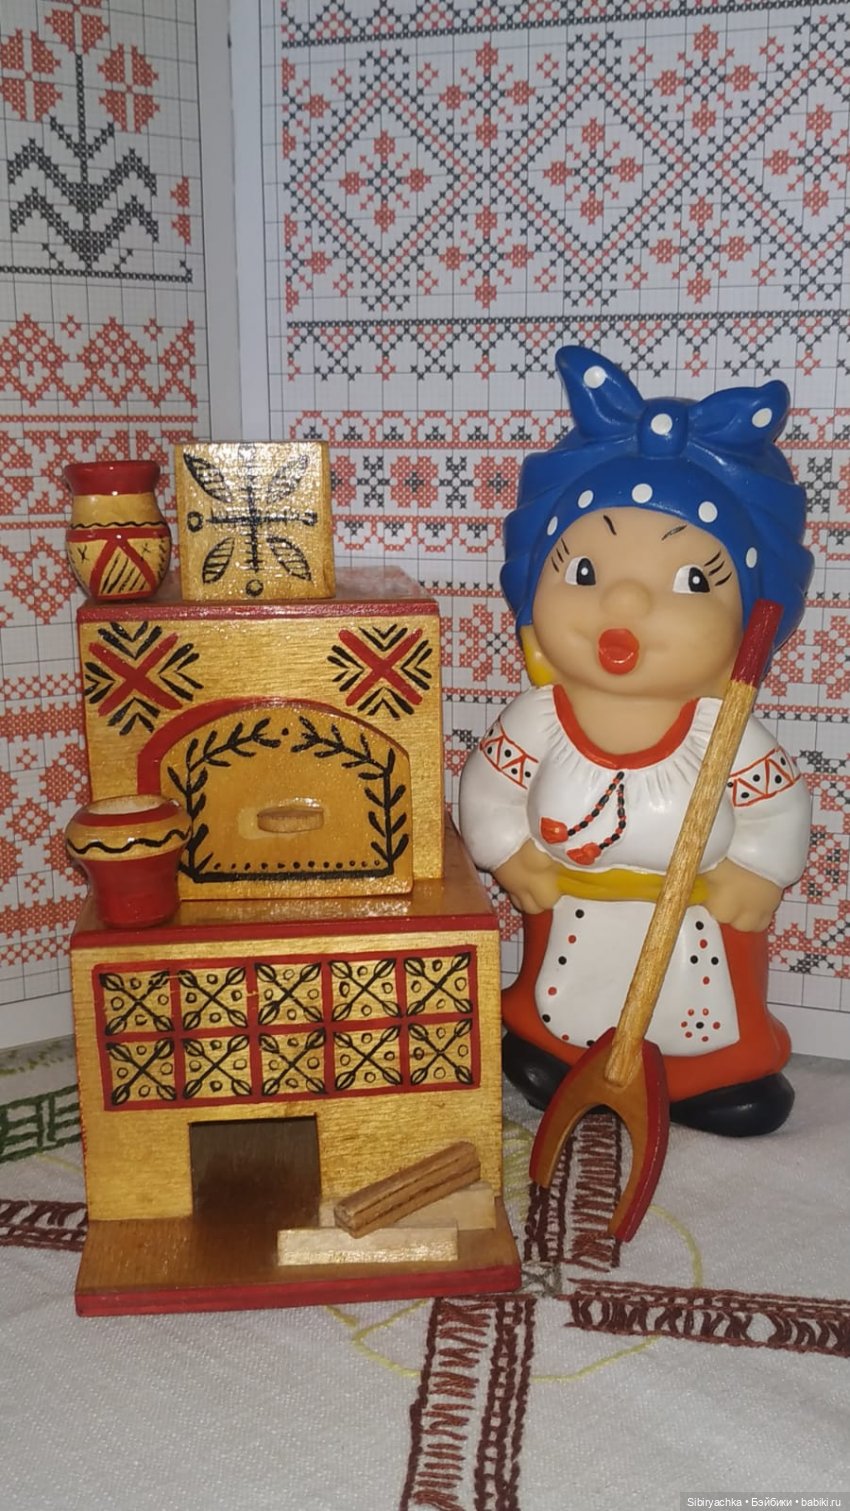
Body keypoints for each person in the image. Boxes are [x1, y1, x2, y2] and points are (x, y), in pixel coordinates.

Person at [458, 347, 813, 1135]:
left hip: (691, 927)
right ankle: (555, 1055)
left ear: (749, 625)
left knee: (697, 1016)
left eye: (691, 581)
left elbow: (778, 807)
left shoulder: (726, 732)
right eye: (583, 571)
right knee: (566, 1005)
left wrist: (756, 871)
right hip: (572, 913)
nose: (623, 601)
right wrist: (510, 853)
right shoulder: (540, 718)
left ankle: (707, 1080)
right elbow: (488, 788)